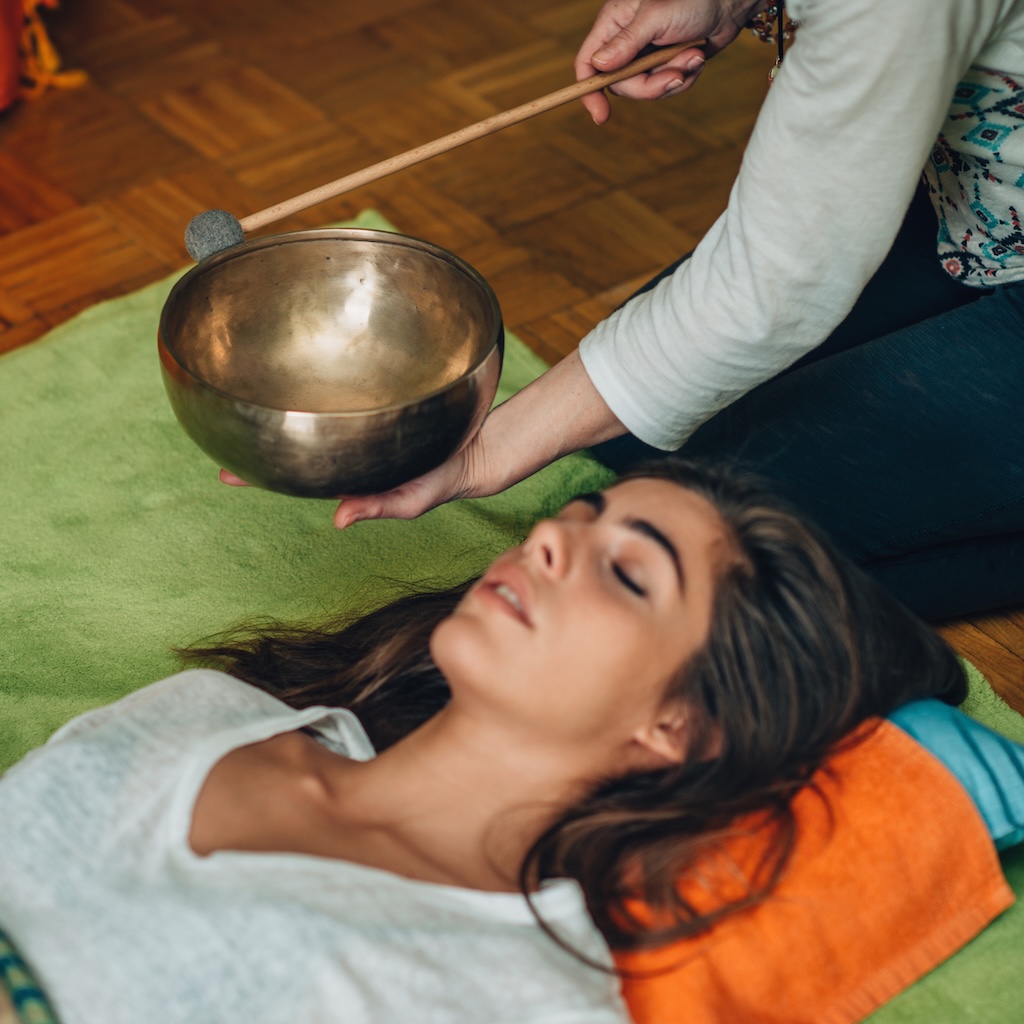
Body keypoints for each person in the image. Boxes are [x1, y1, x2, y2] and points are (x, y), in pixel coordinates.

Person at [0, 460, 969, 1024]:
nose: (547, 536)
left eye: (628, 574)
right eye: (579, 514)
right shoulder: (208, 711)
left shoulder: (529, 995)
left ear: (679, 726)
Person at [299, 0, 1024, 623]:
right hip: (976, 214)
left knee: (709, 550)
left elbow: (771, 287)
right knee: (633, 448)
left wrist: (488, 451)